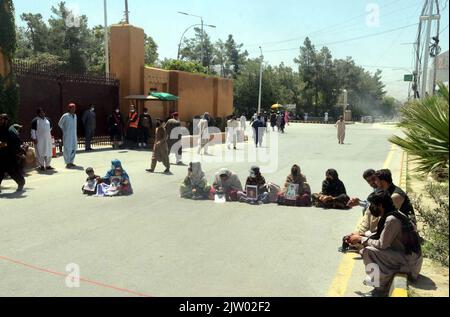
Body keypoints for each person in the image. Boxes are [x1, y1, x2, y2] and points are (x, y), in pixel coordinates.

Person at [346, 190, 423, 297]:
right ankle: (382, 280)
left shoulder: (392, 219)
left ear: (380, 205)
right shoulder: (394, 213)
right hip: (408, 257)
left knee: (368, 251)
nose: (371, 208)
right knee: (368, 248)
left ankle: (379, 289)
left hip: (410, 263)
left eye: (373, 205)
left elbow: (382, 244)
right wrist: (360, 234)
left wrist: (361, 239)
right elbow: (377, 233)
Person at [341, 169, 381, 252]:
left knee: (370, 211)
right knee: (366, 209)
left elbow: (375, 205)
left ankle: (363, 238)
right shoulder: (375, 190)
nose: (371, 182)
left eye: (373, 179)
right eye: (368, 181)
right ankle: (360, 236)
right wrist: (358, 202)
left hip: (384, 219)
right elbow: (369, 203)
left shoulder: (383, 189)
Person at [0, 118, 26, 193]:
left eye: (2, 120)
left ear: (6, 121)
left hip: (9, 155)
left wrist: (6, 144)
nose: (0, 121)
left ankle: (21, 183)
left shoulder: (10, 131)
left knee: (12, 171)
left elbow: (17, 142)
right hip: (1, 155)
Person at [58, 103, 78, 168]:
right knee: (67, 149)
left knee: (73, 148)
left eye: (74, 108)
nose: (74, 109)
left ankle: (71, 162)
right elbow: (60, 124)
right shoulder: (65, 116)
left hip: (74, 135)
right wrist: (65, 130)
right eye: (72, 108)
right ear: (69, 108)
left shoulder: (75, 116)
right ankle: (67, 163)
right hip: (67, 135)